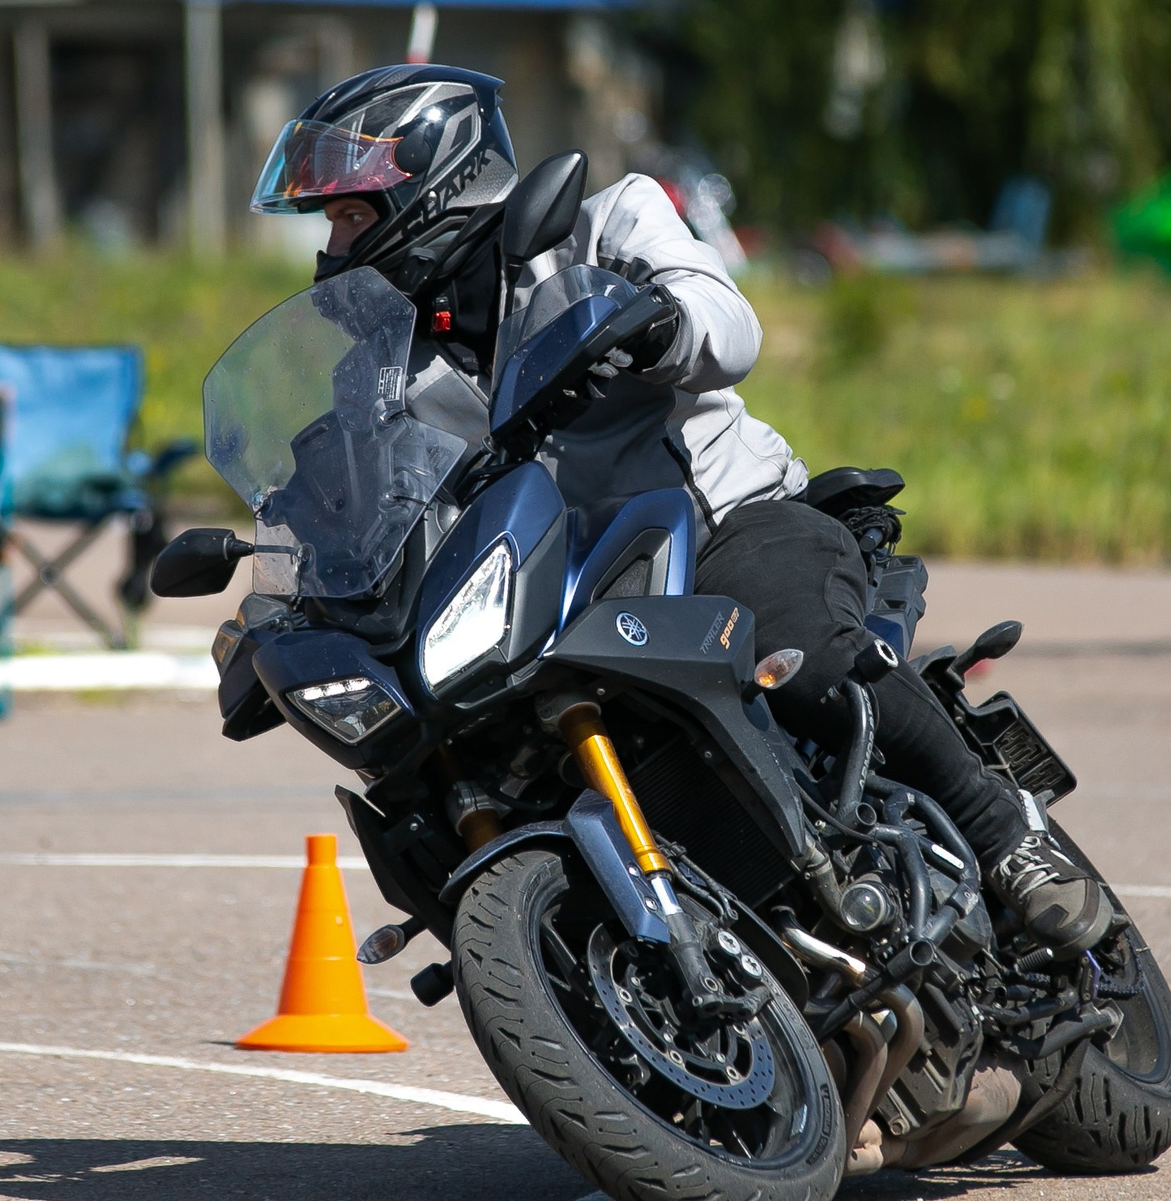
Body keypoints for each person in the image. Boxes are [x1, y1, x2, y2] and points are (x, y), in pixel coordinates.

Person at [250, 64, 1109, 950]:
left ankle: (1010, 838)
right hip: (564, 603)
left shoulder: (602, 223)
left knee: (806, 659)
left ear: (432, 190)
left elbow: (729, 322)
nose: (335, 245)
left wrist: (663, 324)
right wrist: (278, 589)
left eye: (351, 214)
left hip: (720, 527)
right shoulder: (382, 372)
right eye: (331, 221)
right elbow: (351, 503)